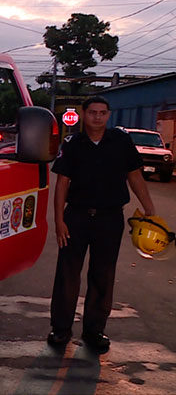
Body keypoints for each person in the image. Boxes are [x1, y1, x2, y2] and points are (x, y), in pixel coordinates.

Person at [47, 95, 156, 353]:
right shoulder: (72, 143)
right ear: (84, 115)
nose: (98, 117)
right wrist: (59, 221)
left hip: (109, 218)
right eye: (93, 112)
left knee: (103, 275)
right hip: (77, 217)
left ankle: (95, 331)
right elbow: (62, 183)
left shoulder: (121, 141)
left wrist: (150, 209)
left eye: (103, 113)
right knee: (67, 274)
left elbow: (135, 175)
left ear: (108, 115)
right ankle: (61, 330)